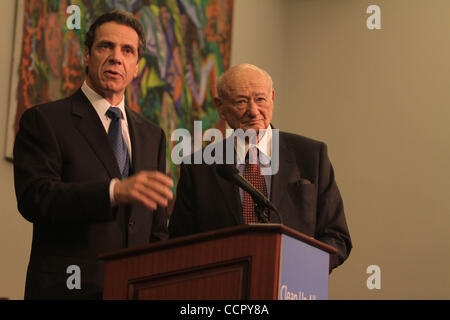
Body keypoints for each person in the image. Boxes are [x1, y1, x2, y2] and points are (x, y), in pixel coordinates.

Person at [13, 10, 173, 299]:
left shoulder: (153, 136)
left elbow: (157, 228)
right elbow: (35, 198)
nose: (116, 57)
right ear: (87, 55)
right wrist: (113, 192)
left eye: (127, 51)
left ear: (137, 66)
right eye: (105, 47)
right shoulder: (45, 120)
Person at [169, 63, 352, 271]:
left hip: (292, 287)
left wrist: (301, 267)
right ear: (220, 107)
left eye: (260, 99)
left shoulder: (311, 156)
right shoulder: (198, 168)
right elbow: (179, 245)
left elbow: (337, 237)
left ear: (272, 98)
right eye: (241, 102)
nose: (253, 111)